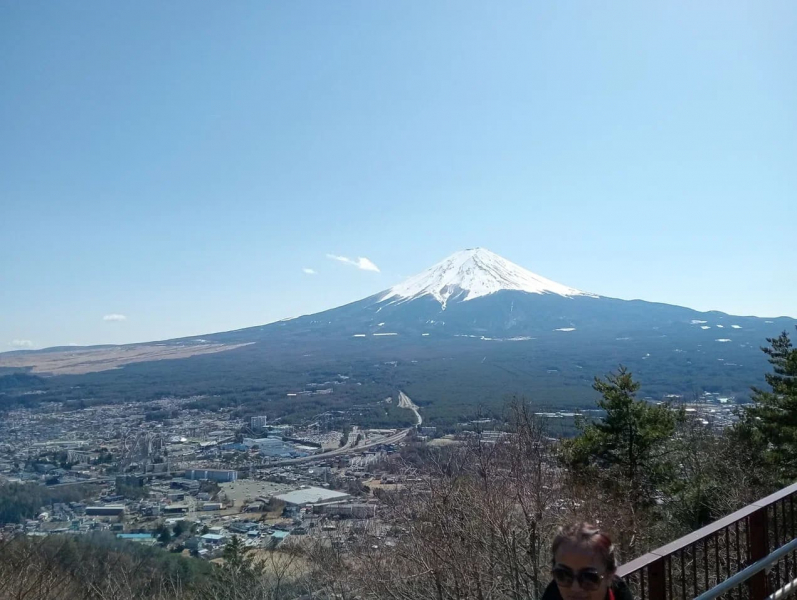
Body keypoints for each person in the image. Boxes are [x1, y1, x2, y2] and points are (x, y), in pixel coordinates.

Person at [541, 522, 633, 600]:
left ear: (609, 576)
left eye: (589, 577)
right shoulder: (552, 594)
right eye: (563, 575)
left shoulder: (621, 595)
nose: (575, 588)